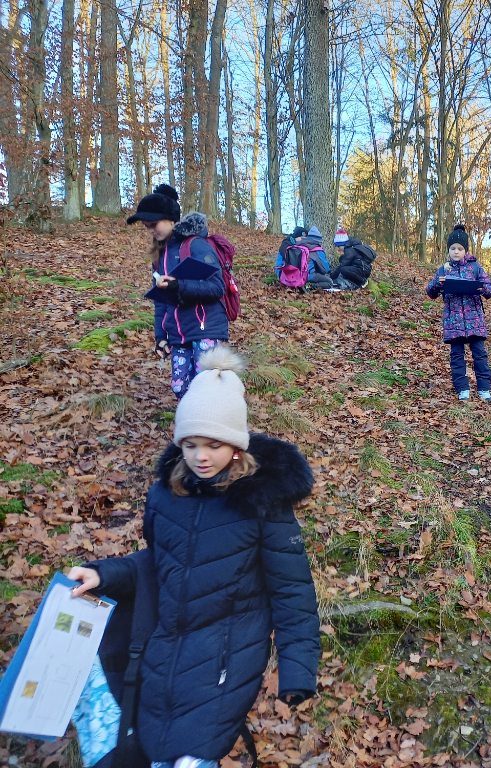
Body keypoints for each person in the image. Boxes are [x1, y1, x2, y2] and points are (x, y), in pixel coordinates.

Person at [68, 347, 320, 767]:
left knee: (193, 750)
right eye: (190, 444)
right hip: (163, 647)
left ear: (237, 445)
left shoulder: (264, 504)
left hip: (226, 660)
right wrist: (104, 575)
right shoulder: (167, 494)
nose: (200, 456)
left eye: (213, 444)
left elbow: (292, 593)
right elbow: (158, 563)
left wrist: (298, 671)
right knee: (149, 746)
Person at [127, 185, 229, 399]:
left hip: (205, 329)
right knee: (179, 387)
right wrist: (160, 337)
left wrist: (179, 285)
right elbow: (161, 301)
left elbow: (217, 288)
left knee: (206, 388)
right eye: (147, 226)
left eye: (153, 224)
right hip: (178, 334)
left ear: (171, 219)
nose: (150, 231)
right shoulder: (160, 256)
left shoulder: (196, 246)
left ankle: (211, 429)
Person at [425, 224, 491, 402]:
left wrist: (480, 288)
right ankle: (462, 389)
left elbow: (490, 289)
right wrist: (438, 284)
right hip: (453, 322)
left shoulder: (476, 268)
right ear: (448, 250)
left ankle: (484, 390)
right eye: (453, 248)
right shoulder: (443, 269)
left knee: (480, 355)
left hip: (475, 321)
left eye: (460, 248)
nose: (456, 251)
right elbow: (430, 292)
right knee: (457, 357)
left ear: (465, 250)